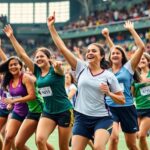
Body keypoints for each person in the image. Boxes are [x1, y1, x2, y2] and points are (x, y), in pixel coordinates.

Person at [47, 12, 125, 150]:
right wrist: (51, 27)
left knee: (99, 147)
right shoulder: (80, 67)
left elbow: (121, 99)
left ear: (101, 56)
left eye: (94, 51)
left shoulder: (109, 76)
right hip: (81, 118)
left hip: (102, 118)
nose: (89, 52)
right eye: (88, 51)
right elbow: (62, 48)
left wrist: (109, 93)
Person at [4, 24, 73, 150]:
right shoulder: (36, 71)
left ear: (49, 58)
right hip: (48, 112)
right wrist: (11, 37)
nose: (39, 58)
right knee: (40, 140)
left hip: (64, 111)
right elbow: (22, 55)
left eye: (42, 56)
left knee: (63, 147)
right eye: (37, 57)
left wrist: (58, 66)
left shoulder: (56, 70)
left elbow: (60, 70)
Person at [102, 21, 145, 150]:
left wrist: (131, 30)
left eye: (118, 54)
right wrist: (107, 37)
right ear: (109, 56)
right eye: (113, 53)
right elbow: (114, 50)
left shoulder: (128, 68)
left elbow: (141, 48)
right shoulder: (107, 71)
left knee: (131, 145)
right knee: (114, 138)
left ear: (122, 57)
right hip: (110, 107)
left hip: (127, 108)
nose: (115, 55)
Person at [0, 56, 35, 150]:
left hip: (32, 112)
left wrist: (13, 101)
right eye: (10, 65)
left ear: (20, 65)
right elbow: (15, 96)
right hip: (18, 111)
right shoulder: (9, 81)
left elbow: (32, 96)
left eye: (15, 64)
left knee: (23, 143)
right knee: (8, 138)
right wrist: (11, 104)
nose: (13, 67)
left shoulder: (25, 78)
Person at [132, 52, 150, 150]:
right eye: (139, 59)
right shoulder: (135, 77)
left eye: (143, 59)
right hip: (138, 108)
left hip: (149, 108)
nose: (141, 60)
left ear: (148, 61)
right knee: (137, 137)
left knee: (142, 134)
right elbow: (133, 94)